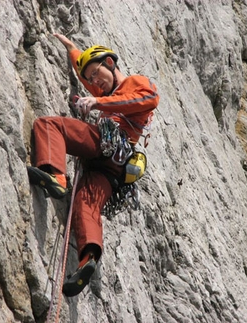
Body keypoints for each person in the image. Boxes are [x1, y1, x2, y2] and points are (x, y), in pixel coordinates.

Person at [27, 33, 159, 297]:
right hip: (114, 169)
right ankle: (88, 259)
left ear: (110, 63)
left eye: (97, 73)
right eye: (90, 80)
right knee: (85, 202)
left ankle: (55, 176)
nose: (94, 82)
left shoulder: (134, 83)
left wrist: (97, 102)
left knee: (50, 125)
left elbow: (147, 99)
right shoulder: (105, 91)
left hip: (109, 144)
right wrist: (71, 48)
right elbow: (82, 69)